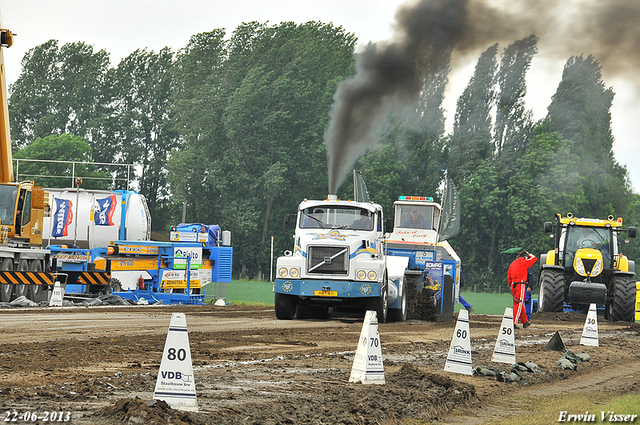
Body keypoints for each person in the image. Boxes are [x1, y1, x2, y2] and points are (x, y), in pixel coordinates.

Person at [507, 250, 537, 329]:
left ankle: (525, 322)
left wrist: (510, 284)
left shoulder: (512, 264)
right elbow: (534, 259)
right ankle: (513, 322)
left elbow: (509, 276)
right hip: (520, 284)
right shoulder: (524, 262)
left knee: (517, 303)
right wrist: (530, 254)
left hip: (513, 285)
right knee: (520, 303)